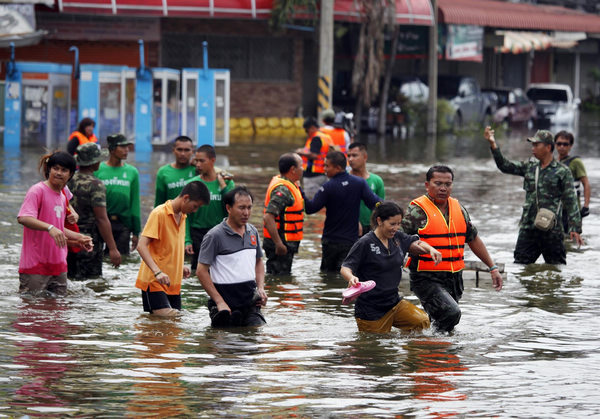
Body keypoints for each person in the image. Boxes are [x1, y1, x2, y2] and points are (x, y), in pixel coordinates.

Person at [401, 164, 503, 333]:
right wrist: (425, 250)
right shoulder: (416, 210)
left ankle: (426, 347)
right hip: (426, 277)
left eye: (447, 184)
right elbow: (401, 240)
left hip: (454, 278)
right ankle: (430, 345)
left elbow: (473, 238)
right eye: (438, 183)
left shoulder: (459, 209)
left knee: (444, 324)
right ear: (427, 185)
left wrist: (492, 268)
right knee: (451, 313)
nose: (443, 188)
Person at [484, 127, 583, 264]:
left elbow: (571, 201)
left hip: (552, 230)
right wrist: (493, 144)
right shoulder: (530, 167)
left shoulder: (562, 171)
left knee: (556, 269)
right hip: (528, 228)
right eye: (532, 145)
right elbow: (505, 166)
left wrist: (575, 228)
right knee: (521, 267)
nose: (533, 148)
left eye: (536, 145)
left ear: (548, 147)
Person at [341, 201, 442, 333]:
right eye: (392, 224)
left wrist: (430, 249)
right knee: (376, 347)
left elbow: (416, 242)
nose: (396, 228)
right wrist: (351, 277)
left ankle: (408, 351)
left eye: (399, 224)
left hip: (394, 303)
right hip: (371, 309)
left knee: (421, 322)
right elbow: (345, 267)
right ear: (379, 221)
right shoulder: (365, 243)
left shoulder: (397, 238)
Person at [17, 151, 93, 295]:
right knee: (32, 312)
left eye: (64, 170)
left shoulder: (62, 196)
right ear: (48, 169)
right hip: (35, 267)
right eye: (55, 168)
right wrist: (50, 227)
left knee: (58, 313)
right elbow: (24, 218)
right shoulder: (37, 191)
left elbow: (58, 229)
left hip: (59, 266)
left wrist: (79, 238)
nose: (59, 173)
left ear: (70, 175)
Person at [135, 181, 210, 316]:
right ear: (186, 198)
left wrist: (179, 266)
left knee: (173, 327)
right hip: (155, 280)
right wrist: (158, 272)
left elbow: (169, 247)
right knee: (168, 318)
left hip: (173, 282)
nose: (195, 210)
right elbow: (141, 246)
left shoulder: (183, 216)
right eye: (195, 206)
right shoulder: (159, 213)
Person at [196, 186, 267, 328]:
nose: (246, 213)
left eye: (249, 207)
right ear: (228, 208)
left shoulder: (252, 232)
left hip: (250, 302)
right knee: (227, 342)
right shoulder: (214, 236)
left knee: (255, 337)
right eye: (241, 208)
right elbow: (201, 271)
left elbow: (259, 262)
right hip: (224, 305)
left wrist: (260, 288)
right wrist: (219, 302)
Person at [303, 151, 381, 272]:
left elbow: (310, 209)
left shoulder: (328, 187)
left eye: (327, 166)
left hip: (330, 241)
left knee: (327, 277)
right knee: (347, 275)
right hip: (351, 241)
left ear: (338, 167)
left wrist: (299, 191)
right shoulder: (359, 183)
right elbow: (375, 203)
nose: (324, 169)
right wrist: (391, 209)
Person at [67, 143, 121, 280]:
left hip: (67, 238)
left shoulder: (67, 180)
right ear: (93, 163)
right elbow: (101, 219)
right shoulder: (96, 185)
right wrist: (113, 249)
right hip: (89, 242)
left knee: (68, 279)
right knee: (92, 282)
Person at [184, 144, 235, 273]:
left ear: (212, 160)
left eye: (202, 161)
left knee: (220, 270)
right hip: (198, 233)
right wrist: (187, 239)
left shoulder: (227, 182)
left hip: (220, 232)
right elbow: (185, 215)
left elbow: (233, 209)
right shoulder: (193, 184)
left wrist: (223, 186)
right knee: (198, 270)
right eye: (196, 161)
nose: (198, 164)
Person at [95, 133, 141, 255]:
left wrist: (136, 232)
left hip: (123, 225)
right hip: (100, 222)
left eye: (127, 147)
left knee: (121, 260)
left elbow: (134, 203)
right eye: (122, 147)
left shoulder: (132, 172)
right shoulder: (98, 169)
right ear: (112, 149)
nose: (127, 150)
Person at [263, 153, 304, 275]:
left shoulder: (290, 184)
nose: (303, 169)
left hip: (285, 244)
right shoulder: (283, 190)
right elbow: (268, 216)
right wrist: (278, 244)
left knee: (282, 278)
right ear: (293, 169)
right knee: (278, 278)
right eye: (301, 166)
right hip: (281, 246)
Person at [554, 130, 591, 232]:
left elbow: (586, 183)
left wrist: (586, 206)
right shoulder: (553, 163)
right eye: (559, 143)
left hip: (572, 209)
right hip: (556, 209)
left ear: (570, 146)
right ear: (555, 145)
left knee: (573, 240)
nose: (562, 146)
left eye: (565, 144)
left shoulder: (576, 162)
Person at [347, 142, 385, 236]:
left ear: (365, 157)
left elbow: (381, 207)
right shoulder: (344, 180)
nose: (350, 159)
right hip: (349, 227)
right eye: (349, 156)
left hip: (371, 228)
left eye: (354, 155)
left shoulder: (377, 180)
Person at [295, 116, 334, 198]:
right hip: (324, 173)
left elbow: (314, 155)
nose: (306, 133)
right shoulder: (326, 137)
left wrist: (300, 153)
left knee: (312, 202)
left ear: (312, 128)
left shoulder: (316, 138)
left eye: (307, 130)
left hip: (313, 176)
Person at [154, 135, 196, 207]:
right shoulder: (163, 172)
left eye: (187, 150)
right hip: (172, 216)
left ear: (192, 151)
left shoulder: (198, 170)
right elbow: (159, 203)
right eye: (179, 149)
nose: (183, 154)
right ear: (173, 150)